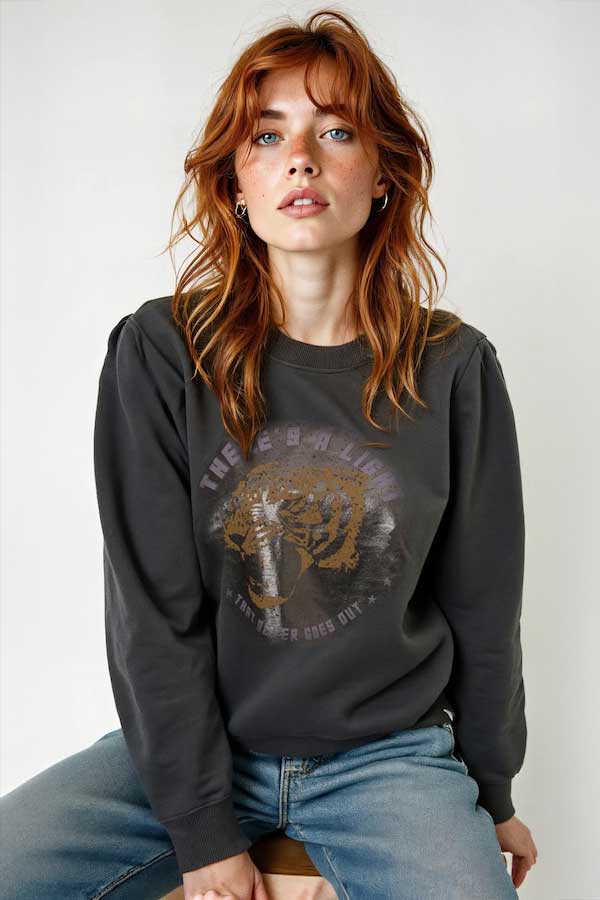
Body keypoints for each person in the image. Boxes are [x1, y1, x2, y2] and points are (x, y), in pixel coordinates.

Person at [0, 9, 539, 900]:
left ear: (384, 173)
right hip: (196, 747)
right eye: (267, 134)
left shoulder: (454, 366)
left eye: (337, 131)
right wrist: (203, 829)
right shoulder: (162, 351)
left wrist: (492, 791)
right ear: (236, 183)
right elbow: (152, 615)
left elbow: (486, 604)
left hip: (387, 760)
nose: (301, 159)